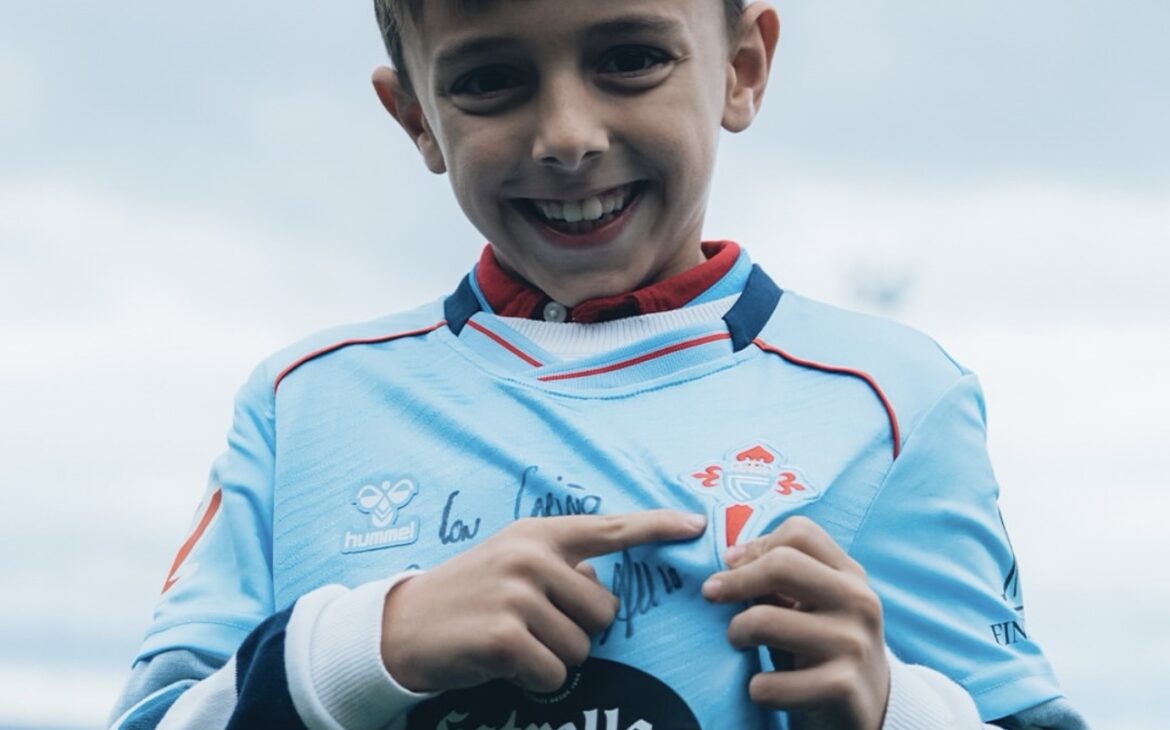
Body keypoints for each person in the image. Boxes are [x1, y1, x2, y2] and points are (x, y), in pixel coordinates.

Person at [108, 1, 1089, 728]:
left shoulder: (894, 400)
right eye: (489, 79)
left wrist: (892, 707)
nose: (568, 136)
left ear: (743, 68)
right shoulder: (303, 405)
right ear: (415, 118)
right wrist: (366, 648)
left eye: (630, 59)